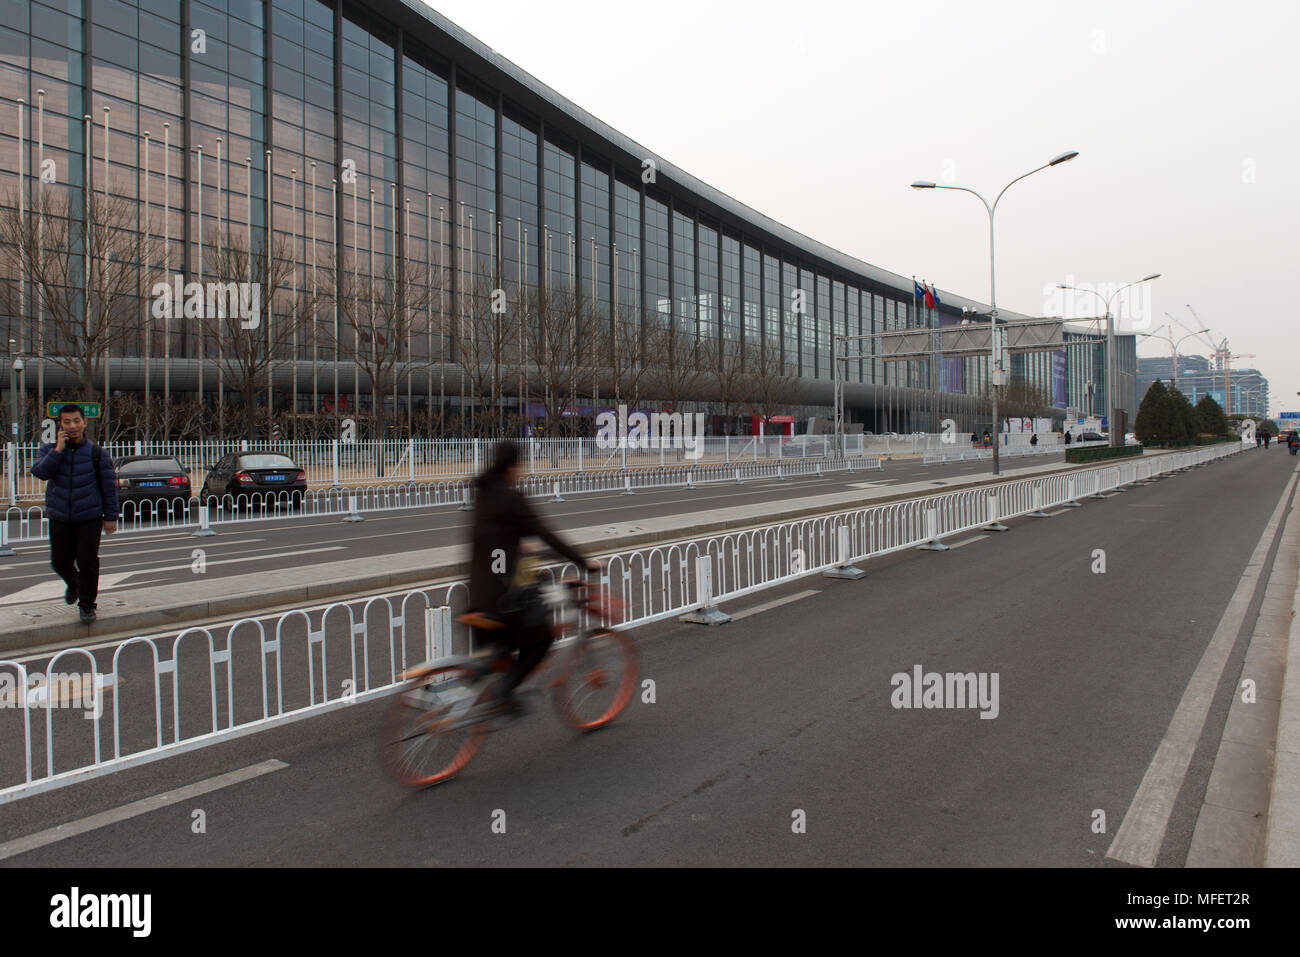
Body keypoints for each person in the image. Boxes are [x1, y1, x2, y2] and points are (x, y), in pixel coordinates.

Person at [467, 440, 599, 714]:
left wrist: (518, 546)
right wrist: (583, 561)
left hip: (477, 593)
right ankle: (503, 693)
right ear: (514, 467)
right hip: (502, 600)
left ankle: (483, 677)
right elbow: (547, 533)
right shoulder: (512, 497)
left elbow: (494, 536)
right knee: (542, 639)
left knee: (503, 648)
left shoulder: (482, 492)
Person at [29, 404, 119, 624]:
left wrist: (110, 517)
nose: (72, 426)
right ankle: (74, 583)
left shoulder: (97, 453)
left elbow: (109, 486)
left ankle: (87, 605)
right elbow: (40, 472)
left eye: (76, 421)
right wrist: (58, 450)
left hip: (89, 516)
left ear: (84, 422)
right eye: (67, 421)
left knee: (88, 561)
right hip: (60, 516)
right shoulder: (49, 450)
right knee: (59, 562)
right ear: (60, 424)